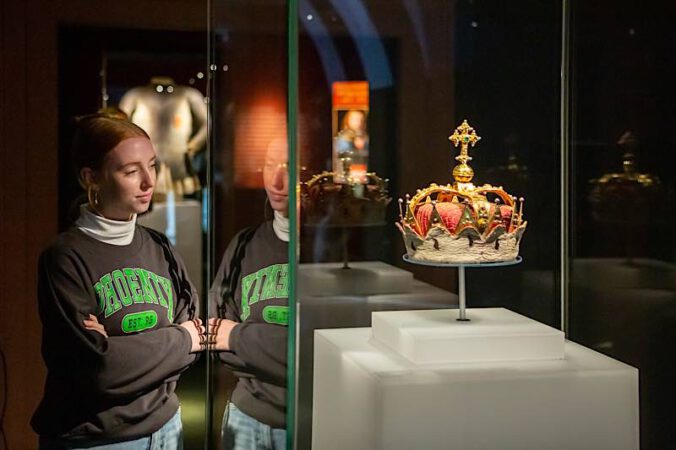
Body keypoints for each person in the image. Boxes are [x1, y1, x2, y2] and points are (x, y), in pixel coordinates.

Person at [32, 114, 206, 449]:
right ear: (90, 178)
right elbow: (98, 371)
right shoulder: (65, 257)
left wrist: (121, 349)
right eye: (130, 171)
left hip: (167, 429)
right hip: (97, 440)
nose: (148, 181)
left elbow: (196, 336)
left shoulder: (160, 247)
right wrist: (180, 339)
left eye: (152, 166)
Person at [208, 137, 289, 450]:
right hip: (245, 418)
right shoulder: (243, 245)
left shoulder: (328, 253)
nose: (277, 180)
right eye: (270, 165)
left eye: (289, 167)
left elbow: (313, 353)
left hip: (306, 420)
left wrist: (238, 336)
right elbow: (213, 333)